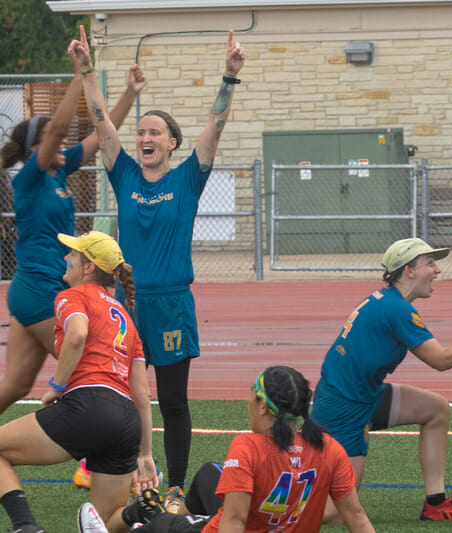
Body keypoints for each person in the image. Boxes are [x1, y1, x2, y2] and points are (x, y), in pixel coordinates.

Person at [70, 25, 246, 512]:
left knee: (171, 401)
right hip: (124, 303)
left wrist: (229, 78)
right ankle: (123, 472)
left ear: (172, 143)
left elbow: (216, 127)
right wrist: (86, 71)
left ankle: (173, 486)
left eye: (155, 133)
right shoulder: (124, 172)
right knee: (116, 394)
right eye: (141, 132)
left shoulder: (188, 179)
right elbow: (103, 120)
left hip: (171, 305)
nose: (145, 138)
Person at [311, 237, 452, 523]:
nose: (437, 270)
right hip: (345, 407)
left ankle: (436, 504)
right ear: (409, 270)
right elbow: (440, 360)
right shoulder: (398, 309)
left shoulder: (389, 301)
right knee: (338, 513)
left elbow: (443, 358)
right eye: (430, 263)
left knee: (436, 409)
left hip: (363, 394)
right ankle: (267, 517)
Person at [0, 60, 145, 421]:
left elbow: (104, 133)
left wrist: (131, 92)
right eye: (54, 139)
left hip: (35, 288)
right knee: (86, 371)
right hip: (40, 289)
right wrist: (82, 77)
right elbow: (58, 128)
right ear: (37, 148)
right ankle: (91, 459)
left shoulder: (59, 169)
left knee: (16, 385)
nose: (63, 141)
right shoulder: (29, 179)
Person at [0, 230, 159, 533]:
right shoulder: (125, 317)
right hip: (126, 422)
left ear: (88, 268)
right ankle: (135, 513)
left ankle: (25, 526)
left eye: (72, 254)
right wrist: (145, 453)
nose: (66, 258)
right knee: (107, 521)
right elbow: (142, 392)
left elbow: (77, 334)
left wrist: (56, 387)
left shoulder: (71, 296)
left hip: (90, 406)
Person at [89, 365, 375, 533]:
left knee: (159, 524)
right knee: (208, 474)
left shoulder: (248, 447)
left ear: (263, 406)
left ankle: (137, 520)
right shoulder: (328, 447)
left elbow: (235, 522)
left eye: (252, 394)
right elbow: (356, 517)